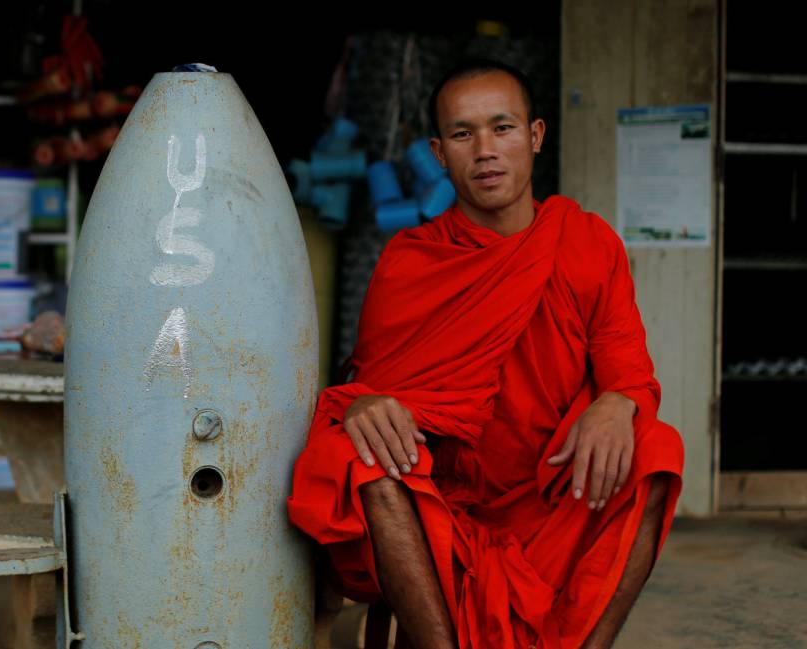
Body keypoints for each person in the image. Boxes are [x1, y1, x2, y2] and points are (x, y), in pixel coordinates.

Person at [287, 59, 684, 649]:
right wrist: (366, 404)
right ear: (439, 152)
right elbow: (377, 388)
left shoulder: (584, 240)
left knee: (655, 446)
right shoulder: (411, 258)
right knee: (359, 454)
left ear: (535, 136)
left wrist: (618, 400)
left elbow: (630, 369)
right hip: (442, 508)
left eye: (503, 128)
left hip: (551, 496)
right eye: (463, 133)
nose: (486, 150)